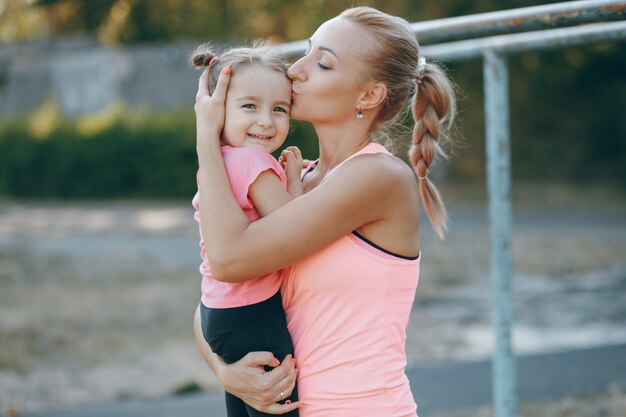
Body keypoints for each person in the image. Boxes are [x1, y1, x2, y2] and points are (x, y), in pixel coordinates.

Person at [192, 6, 456, 416]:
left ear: (368, 96)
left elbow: (228, 258)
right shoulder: (293, 181)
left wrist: (207, 139)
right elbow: (214, 295)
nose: (296, 70)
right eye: (308, 52)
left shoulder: (378, 177)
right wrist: (226, 373)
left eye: (323, 62)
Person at [190, 42, 303, 417]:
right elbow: (295, 225)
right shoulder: (252, 160)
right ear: (218, 110)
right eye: (249, 106)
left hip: (218, 311)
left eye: (279, 109)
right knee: (278, 405)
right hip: (254, 310)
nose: (266, 121)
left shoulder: (216, 165)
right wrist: (295, 183)